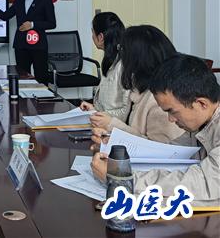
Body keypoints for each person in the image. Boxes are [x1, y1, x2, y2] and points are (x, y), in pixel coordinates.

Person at [92, 54, 220, 205]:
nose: (170, 119)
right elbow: (169, 153)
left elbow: (204, 182)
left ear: (202, 104)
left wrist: (123, 180)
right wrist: (116, 152)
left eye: (172, 111)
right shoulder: (201, 124)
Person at [90, 25, 184, 144]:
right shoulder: (141, 87)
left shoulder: (161, 99)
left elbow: (158, 147)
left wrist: (112, 125)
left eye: (122, 51)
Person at [79, 12, 130, 122]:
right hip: (103, 121)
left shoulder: (124, 64)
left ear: (101, 37)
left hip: (113, 126)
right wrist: (94, 109)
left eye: (93, 33)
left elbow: (126, 112)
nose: (92, 37)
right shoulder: (110, 59)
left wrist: (98, 114)